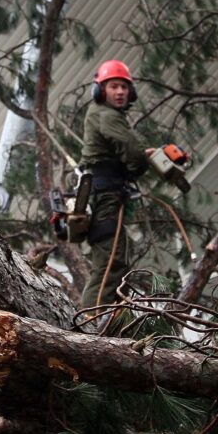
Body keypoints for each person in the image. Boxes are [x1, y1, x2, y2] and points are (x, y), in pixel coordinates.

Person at [79, 59, 150, 309]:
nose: (120, 92)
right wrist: (139, 165)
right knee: (110, 264)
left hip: (105, 194)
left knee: (115, 262)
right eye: (113, 86)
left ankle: (106, 320)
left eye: (124, 87)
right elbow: (134, 153)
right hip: (105, 195)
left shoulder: (104, 115)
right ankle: (90, 321)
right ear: (101, 91)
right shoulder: (106, 115)